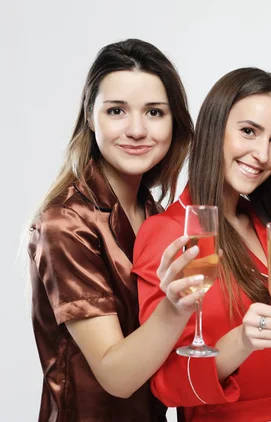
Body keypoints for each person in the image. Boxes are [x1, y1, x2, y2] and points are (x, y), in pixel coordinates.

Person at [134, 67, 271, 421]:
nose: (262, 154)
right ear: (215, 130)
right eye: (248, 132)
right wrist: (243, 340)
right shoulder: (169, 232)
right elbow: (166, 385)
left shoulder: (268, 226)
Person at [27, 39, 203, 421]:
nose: (137, 129)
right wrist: (176, 309)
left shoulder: (156, 215)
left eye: (154, 112)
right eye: (117, 111)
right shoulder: (65, 222)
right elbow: (116, 376)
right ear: (90, 117)